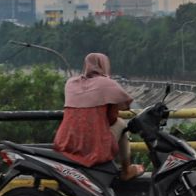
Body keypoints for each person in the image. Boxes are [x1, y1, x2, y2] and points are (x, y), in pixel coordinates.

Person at [53, 53, 144, 181]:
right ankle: (126, 169)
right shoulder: (107, 84)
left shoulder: (71, 83)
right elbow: (112, 118)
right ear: (105, 65)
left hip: (66, 142)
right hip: (92, 145)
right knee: (122, 124)